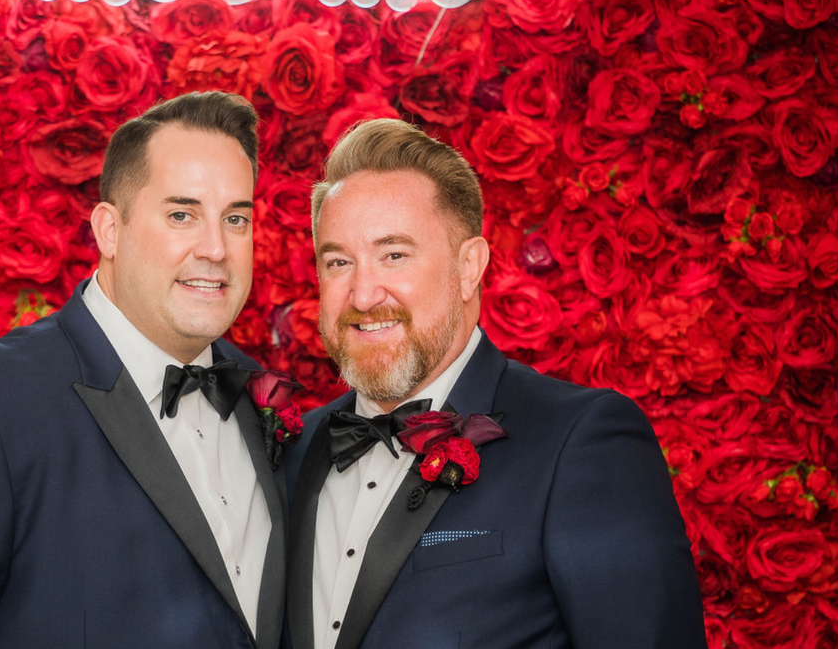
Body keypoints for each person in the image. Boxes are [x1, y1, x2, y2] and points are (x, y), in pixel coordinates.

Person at [0, 91, 285, 649]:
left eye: (236, 219)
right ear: (109, 231)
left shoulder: (259, 393)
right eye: (181, 214)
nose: (216, 248)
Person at [283, 118, 705, 649]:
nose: (364, 294)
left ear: (469, 266)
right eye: (339, 261)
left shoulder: (581, 441)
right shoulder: (296, 450)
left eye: (395, 254)